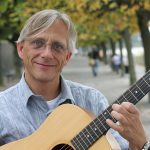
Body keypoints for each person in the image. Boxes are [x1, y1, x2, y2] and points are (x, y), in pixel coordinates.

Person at [0, 9, 149, 150]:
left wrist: (140, 144)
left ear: (67, 57)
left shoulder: (92, 101)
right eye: (38, 43)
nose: (46, 54)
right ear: (20, 49)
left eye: (57, 46)